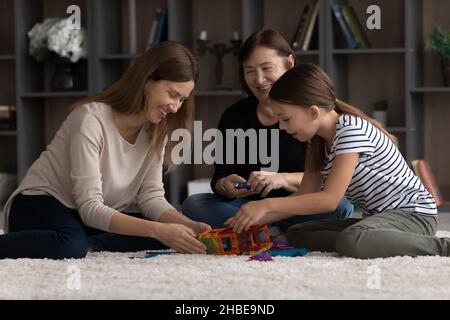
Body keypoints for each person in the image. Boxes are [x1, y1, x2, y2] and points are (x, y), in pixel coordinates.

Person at [0, 41, 211, 259]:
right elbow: (90, 207)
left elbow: (151, 197)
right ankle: (76, 238)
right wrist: (158, 229)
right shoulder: (90, 119)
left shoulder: (156, 130)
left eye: (182, 100)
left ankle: (82, 237)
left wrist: (189, 224)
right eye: (172, 94)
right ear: (146, 81)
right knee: (71, 247)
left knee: (170, 235)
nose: (176, 107)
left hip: (83, 216)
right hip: (40, 203)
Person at [226, 63, 450, 259]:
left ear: (313, 112)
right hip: (382, 220)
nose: (282, 127)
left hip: (414, 216)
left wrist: (266, 204)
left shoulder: (350, 130)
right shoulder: (316, 144)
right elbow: (304, 197)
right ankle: (368, 241)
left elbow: (329, 200)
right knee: (297, 232)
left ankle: (442, 247)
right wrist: (252, 218)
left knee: (352, 239)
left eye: (285, 119)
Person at [182, 29, 353, 235]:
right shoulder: (234, 116)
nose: (259, 80)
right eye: (250, 71)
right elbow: (219, 177)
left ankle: (261, 231)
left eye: (266, 68)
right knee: (195, 204)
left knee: (340, 205)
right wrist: (227, 185)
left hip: (300, 206)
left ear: (289, 63)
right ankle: (273, 231)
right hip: (248, 208)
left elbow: (326, 182)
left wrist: (281, 179)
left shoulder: (311, 116)